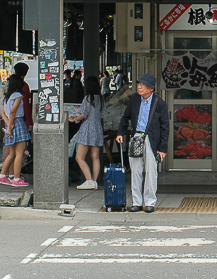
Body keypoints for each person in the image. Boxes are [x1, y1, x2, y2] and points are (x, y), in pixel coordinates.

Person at [116, 73, 168, 213]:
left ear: (151, 88)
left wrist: (162, 148)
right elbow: (125, 117)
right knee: (136, 170)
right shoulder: (134, 99)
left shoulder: (159, 103)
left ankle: (150, 202)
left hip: (151, 139)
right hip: (136, 137)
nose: (140, 87)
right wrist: (120, 132)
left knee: (151, 171)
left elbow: (165, 127)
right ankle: (137, 202)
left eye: (143, 85)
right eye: (139, 84)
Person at [69, 76, 105, 190]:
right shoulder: (101, 99)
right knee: (95, 157)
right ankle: (94, 181)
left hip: (87, 128)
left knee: (79, 157)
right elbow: (103, 114)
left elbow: (83, 115)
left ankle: (89, 180)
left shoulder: (88, 98)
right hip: (97, 128)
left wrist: (74, 118)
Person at [0, 74, 30, 187]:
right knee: (19, 153)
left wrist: (8, 126)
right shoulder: (18, 95)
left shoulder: (6, 97)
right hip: (18, 123)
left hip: (9, 125)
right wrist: (11, 125)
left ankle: (2, 176)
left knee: (11, 153)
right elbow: (13, 111)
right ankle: (16, 178)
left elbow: (3, 113)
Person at [14, 62, 33, 130]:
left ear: (15, 71)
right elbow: (26, 105)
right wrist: (30, 122)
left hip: (8, 118)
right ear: (26, 73)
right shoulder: (24, 86)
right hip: (20, 119)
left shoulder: (10, 85)